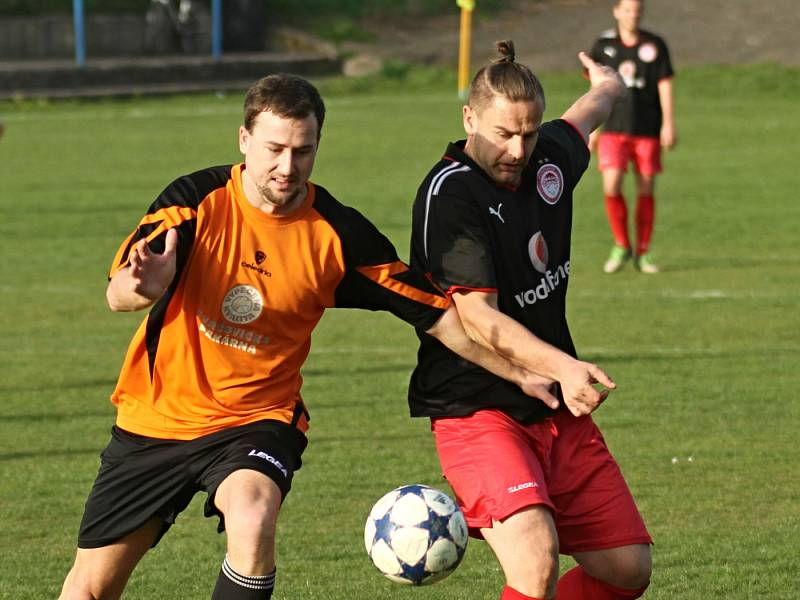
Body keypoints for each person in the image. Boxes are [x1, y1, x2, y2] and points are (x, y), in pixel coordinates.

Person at [57, 73, 551, 600]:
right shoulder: (195, 204)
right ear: (244, 140)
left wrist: (523, 373)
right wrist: (141, 287)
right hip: (153, 419)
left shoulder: (338, 234)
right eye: (274, 149)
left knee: (253, 515)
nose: (287, 167)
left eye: (303, 151)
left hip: (255, 421)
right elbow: (120, 293)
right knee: (89, 588)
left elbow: (442, 318)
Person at [408, 40, 652, 600]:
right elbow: (479, 319)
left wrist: (606, 78)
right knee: (535, 564)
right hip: (476, 406)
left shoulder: (549, 157)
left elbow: (594, 108)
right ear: (469, 118)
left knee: (627, 569)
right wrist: (565, 367)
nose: (518, 149)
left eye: (530, 131)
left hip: (552, 406)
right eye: (502, 134)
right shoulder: (451, 194)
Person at [588, 0, 676, 274]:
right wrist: (593, 127)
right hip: (613, 127)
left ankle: (644, 251)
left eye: (636, 10)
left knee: (646, 188)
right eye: (627, 9)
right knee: (611, 186)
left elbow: (665, 85)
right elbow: (595, 87)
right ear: (616, 12)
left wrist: (668, 124)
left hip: (647, 128)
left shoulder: (655, 45)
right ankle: (622, 244)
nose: (632, 15)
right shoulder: (603, 47)